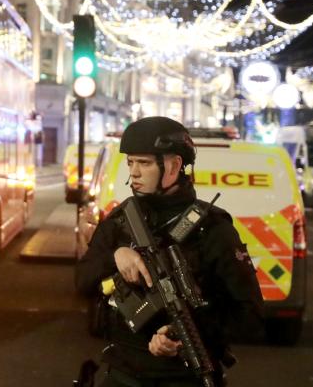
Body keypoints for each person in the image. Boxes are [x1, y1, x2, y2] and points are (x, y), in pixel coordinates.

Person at [75, 117, 263, 387]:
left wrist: (181, 331)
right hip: (122, 375)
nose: (135, 172)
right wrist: (115, 257)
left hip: (183, 379)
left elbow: (250, 318)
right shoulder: (120, 221)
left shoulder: (212, 229)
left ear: (174, 166)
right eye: (131, 163)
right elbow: (81, 280)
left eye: (145, 163)